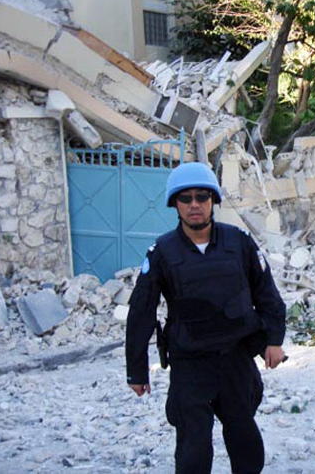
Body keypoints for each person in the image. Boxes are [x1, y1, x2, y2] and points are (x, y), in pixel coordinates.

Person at [126, 162, 286, 474]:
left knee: (245, 439)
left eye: (202, 196)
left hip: (235, 359)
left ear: (213, 200)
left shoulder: (238, 242)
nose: (194, 204)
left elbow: (267, 294)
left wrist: (274, 340)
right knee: (193, 447)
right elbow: (141, 312)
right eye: (185, 198)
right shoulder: (162, 252)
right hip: (190, 363)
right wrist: (137, 371)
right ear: (175, 204)